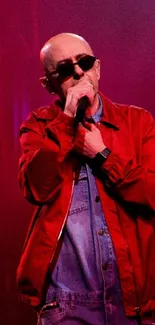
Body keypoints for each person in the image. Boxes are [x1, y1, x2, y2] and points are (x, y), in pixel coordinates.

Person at [17, 33, 155, 325]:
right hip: (67, 303)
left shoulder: (138, 122)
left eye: (85, 62)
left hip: (133, 302)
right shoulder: (39, 127)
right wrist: (66, 122)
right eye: (66, 69)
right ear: (49, 84)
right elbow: (37, 189)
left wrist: (103, 155)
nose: (79, 72)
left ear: (98, 68)